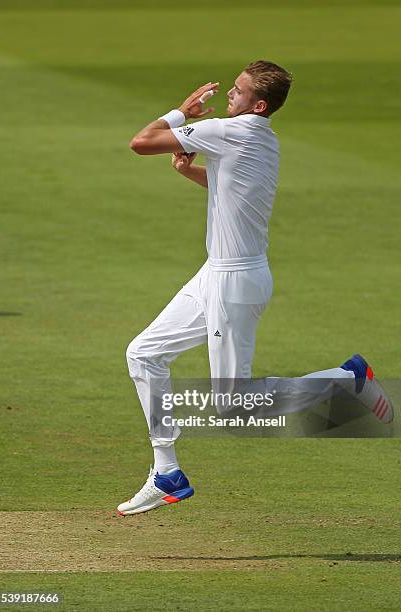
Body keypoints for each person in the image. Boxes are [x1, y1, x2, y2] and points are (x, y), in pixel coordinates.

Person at [117, 61, 393, 516]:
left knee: (233, 409)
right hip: (218, 273)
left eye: (238, 91)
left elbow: (140, 143)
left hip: (234, 283)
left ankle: (348, 380)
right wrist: (190, 173)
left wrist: (181, 112)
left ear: (257, 105)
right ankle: (166, 471)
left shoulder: (233, 131)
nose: (228, 95)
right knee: (143, 354)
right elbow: (231, 190)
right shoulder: (262, 138)